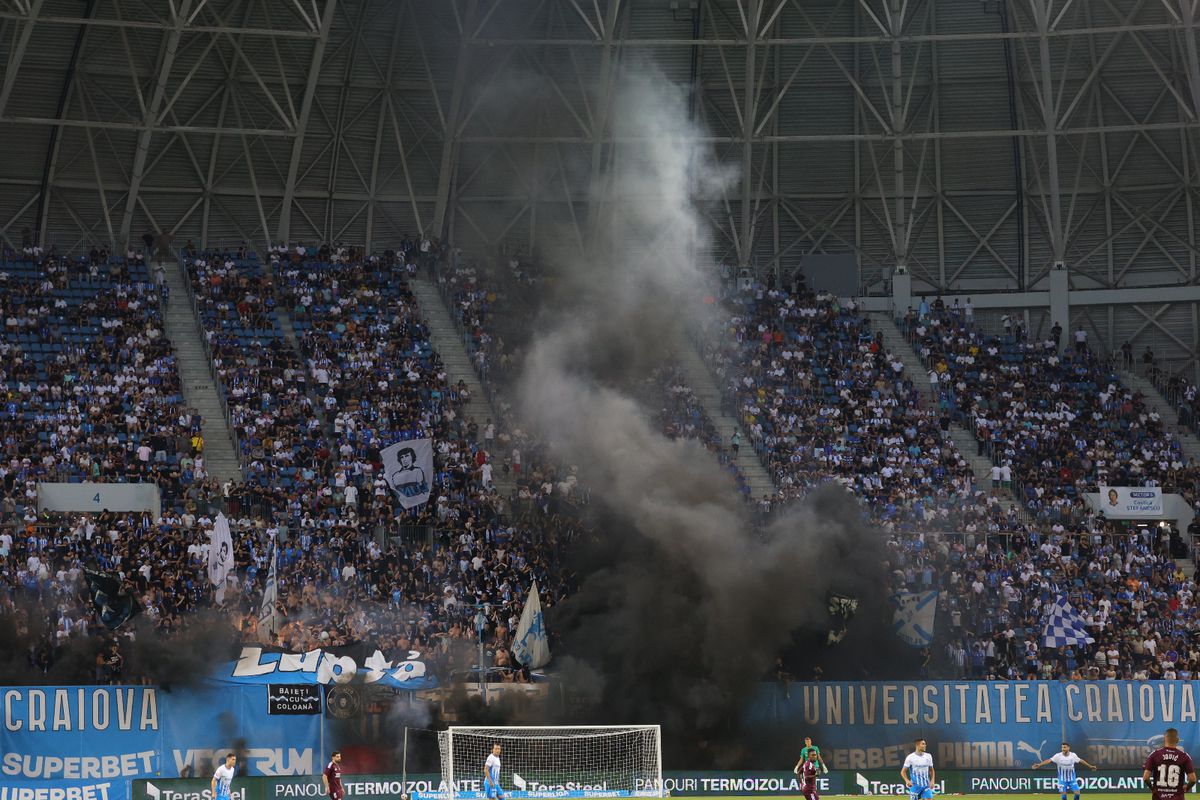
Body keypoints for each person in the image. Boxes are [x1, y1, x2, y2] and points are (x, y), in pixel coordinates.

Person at [1143, 728, 1196, 800]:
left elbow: (1146, 777)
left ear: (1164, 739)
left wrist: (1152, 788)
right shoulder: (1184, 756)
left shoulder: (1154, 754)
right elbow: (1193, 779)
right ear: (1177, 740)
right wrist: (1187, 788)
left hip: (1158, 797)